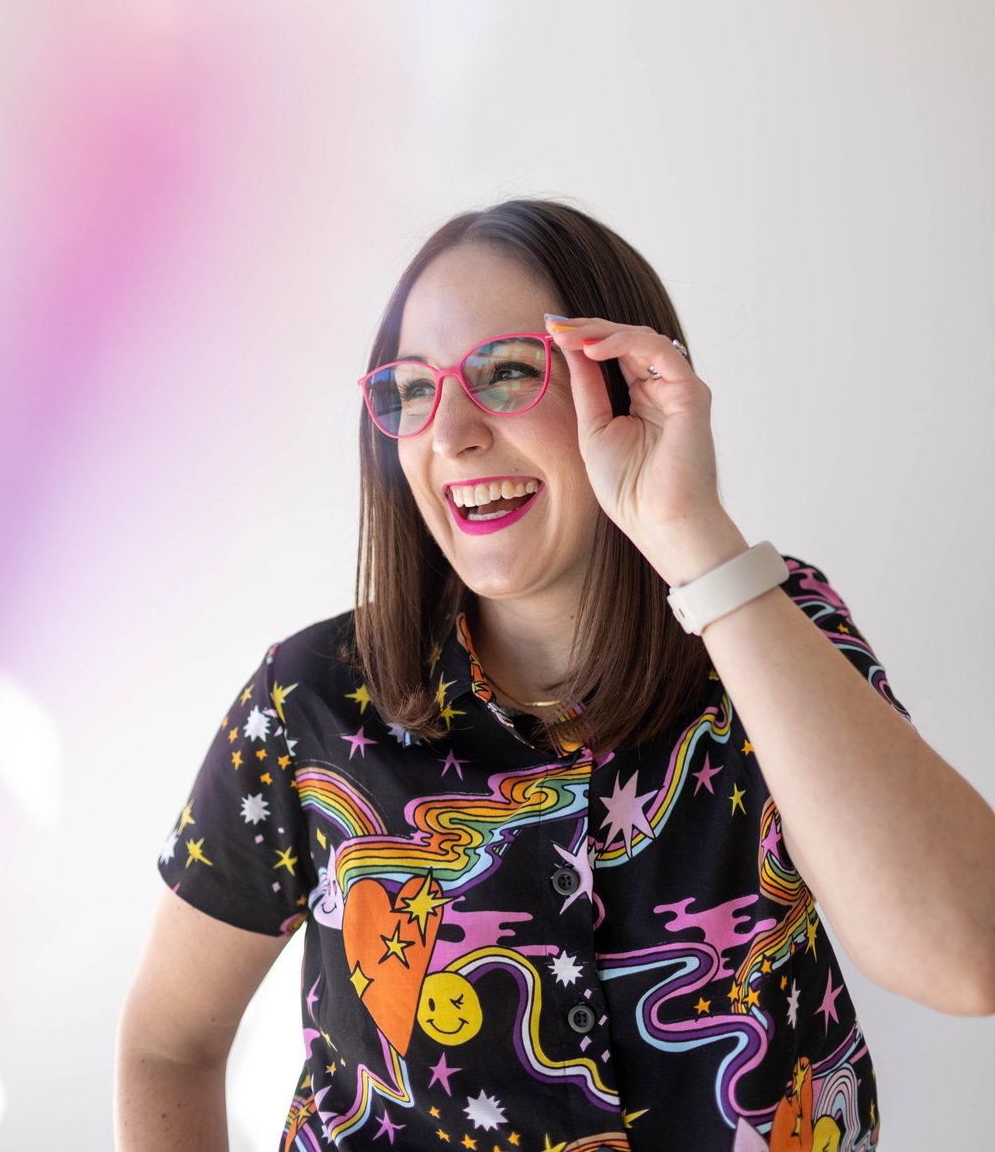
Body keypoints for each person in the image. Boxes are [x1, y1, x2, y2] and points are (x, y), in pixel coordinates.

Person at [115, 199, 995, 1152]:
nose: (448, 433)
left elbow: (965, 954)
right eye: (412, 390)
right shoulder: (310, 701)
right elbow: (169, 1043)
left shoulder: (778, 628)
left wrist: (692, 533)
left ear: (623, 389)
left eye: (505, 374)